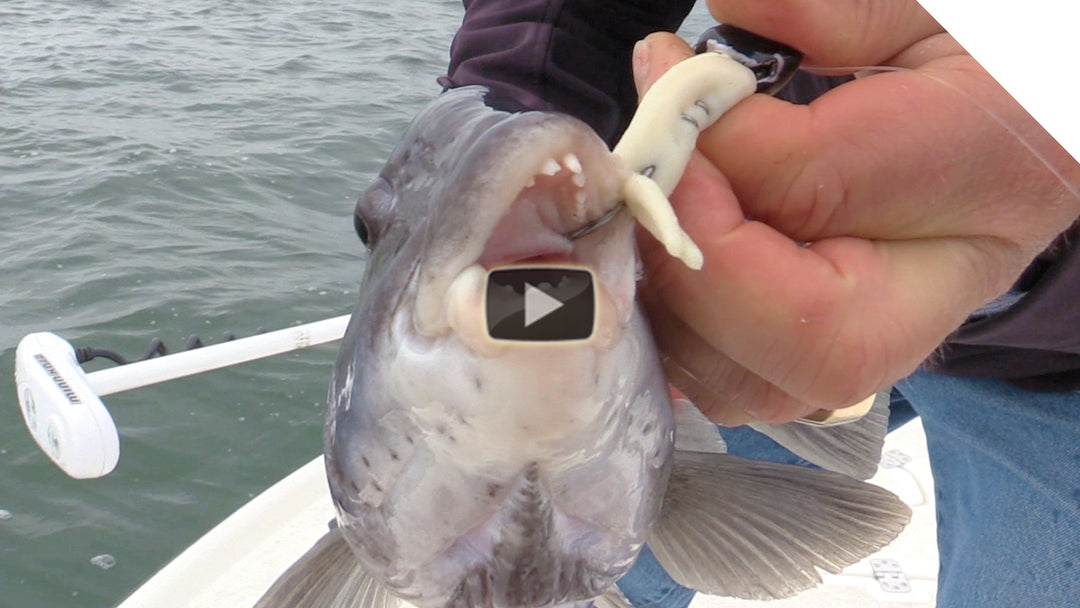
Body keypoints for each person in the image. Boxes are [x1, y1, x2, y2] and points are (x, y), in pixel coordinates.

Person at [438, 1, 1080, 606]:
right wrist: (509, 115)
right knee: (576, 547)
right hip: (756, 293)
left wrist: (1053, 105)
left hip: (1053, 363)